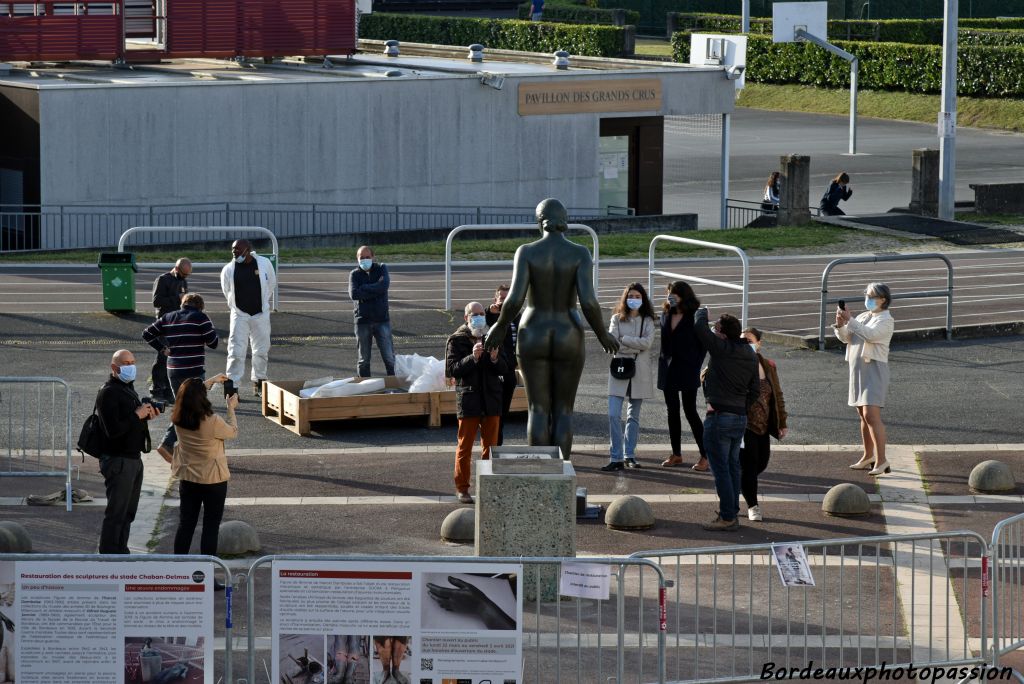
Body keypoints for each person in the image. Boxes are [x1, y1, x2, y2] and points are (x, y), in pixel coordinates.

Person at [485, 198, 619, 460]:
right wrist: (602, 333)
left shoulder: (526, 251)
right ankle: (562, 475)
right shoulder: (580, 253)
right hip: (568, 330)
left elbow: (514, 299)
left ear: (540, 222)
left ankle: (541, 475)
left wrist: (500, 326)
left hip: (533, 330)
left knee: (537, 408)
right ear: (564, 221)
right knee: (564, 409)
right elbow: (589, 302)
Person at [692, 309, 759, 531]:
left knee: (721, 469)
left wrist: (701, 311)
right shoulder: (749, 353)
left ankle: (728, 516)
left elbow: (699, 328)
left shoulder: (721, 349)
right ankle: (731, 512)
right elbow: (755, 390)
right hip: (739, 417)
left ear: (722, 334)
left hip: (719, 416)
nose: (713, 331)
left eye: (717, 328)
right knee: (732, 466)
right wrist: (742, 406)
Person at [95, 349, 160, 554]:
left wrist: (146, 416)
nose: (131, 366)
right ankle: (109, 556)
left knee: (128, 513)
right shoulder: (108, 393)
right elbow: (112, 430)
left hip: (133, 459)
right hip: (118, 461)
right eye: (126, 363)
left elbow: (131, 423)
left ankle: (121, 551)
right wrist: (137, 415)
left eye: (132, 361)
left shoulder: (127, 389)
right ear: (114, 368)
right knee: (116, 513)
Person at [142, 293, 219, 461]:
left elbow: (147, 333)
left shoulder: (169, 317)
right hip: (193, 370)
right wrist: (208, 327)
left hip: (174, 370)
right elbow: (213, 343)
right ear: (200, 306)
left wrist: (162, 349)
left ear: (183, 303)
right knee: (195, 409)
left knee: (185, 407)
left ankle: (185, 447)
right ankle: (169, 443)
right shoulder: (201, 317)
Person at [170, 376, 237, 563]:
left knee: (186, 525)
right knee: (210, 527)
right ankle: (207, 573)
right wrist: (231, 408)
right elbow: (232, 432)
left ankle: (179, 569)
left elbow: (189, 394)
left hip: (189, 479)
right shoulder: (212, 420)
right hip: (213, 481)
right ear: (202, 398)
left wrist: (210, 381)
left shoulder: (178, 417)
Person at [445, 301, 507, 504]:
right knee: (465, 447)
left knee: (491, 448)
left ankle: (489, 487)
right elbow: (453, 369)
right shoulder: (457, 340)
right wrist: (472, 357)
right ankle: (462, 488)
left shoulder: (493, 336)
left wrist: (495, 358)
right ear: (466, 318)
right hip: (469, 399)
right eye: (474, 314)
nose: (479, 317)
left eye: (481, 313)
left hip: (491, 399)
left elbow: (505, 368)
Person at [834, 282, 894, 476]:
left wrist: (850, 320)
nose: (867, 299)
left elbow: (870, 335)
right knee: (862, 414)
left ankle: (882, 460)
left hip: (874, 369)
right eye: (867, 295)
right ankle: (868, 455)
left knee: (871, 415)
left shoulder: (886, 320)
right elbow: (845, 338)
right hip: (858, 369)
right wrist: (841, 324)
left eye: (871, 296)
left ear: (883, 299)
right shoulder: (863, 316)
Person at [601, 282, 656, 472]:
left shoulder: (647, 320)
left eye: (637, 296)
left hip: (639, 372)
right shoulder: (616, 318)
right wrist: (633, 344)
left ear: (643, 299)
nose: (634, 299)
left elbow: (647, 343)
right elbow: (612, 343)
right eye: (631, 296)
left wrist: (624, 340)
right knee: (613, 414)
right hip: (619, 369)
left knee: (633, 416)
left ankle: (629, 455)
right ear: (625, 298)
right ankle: (615, 456)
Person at [738, 327, 789, 522]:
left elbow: (777, 395)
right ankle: (753, 505)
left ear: (759, 344)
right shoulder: (737, 364)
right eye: (742, 341)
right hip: (744, 424)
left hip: (764, 426)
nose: (746, 344)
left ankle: (737, 482)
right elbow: (707, 373)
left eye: (750, 341)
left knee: (762, 462)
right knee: (749, 466)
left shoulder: (768, 365)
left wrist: (782, 422)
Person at [658, 282, 708, 470]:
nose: (670, 297)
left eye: (674, 294)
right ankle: (676, 454)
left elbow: (703, 345)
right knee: (672, 412)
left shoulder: (694, 316)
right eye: (669, 293)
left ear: (684, 296)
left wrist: (695, 365)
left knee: (690, 411)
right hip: (668, 369)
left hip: (687, 369)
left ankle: (705, 455)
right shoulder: (665, 314)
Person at [220, 239, 276, 398]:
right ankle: (233, 386)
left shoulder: (264, 263)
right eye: (233, 250)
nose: (235, 253)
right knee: (236, 350)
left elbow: (271, 283)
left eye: (238, 250)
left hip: (261, 314)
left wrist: (262, 303)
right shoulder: (228, 269)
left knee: (262, 349)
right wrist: (239, 308)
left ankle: (259, 380)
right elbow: (227, 291)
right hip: (239, 315)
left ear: (248, 250)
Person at [348, 245, 396, 378]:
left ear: (373, 257)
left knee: (390, 358)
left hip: (382, 321)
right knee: (363, 360)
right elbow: (354, 294)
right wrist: (376, 290)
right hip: (362, 321)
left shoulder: (381, 268)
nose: (364, 260)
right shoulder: (354, 274)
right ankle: (364, 388)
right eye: (361, 258)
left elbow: (384, 286)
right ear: (357, 259)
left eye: (367, 257)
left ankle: (394, 384)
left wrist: (364, 288)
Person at [149, 257, 191, 400]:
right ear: (177, 268)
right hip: (164, 324)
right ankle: (156, 390)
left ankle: (167, 390)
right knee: (162, 357)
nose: (185, 277)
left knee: (173, 358)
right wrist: (177, 298)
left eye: (187, 275)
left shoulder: (183, 281)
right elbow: (156, 302)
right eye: (184, 274)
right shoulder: (163, 280)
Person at [485, 284, 520, 446]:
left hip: (510, 371)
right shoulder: (490, 317)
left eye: (508, 299)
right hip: (494, 372)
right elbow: (488, 330)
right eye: (501, 299)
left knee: (503, 413)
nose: (504, 302)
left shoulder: (517, 317)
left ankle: (497, 445)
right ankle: (493, 447)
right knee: (493, 412)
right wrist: (492, 314)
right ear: (495, 300)